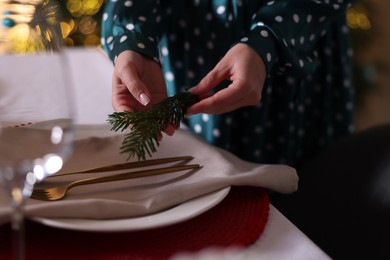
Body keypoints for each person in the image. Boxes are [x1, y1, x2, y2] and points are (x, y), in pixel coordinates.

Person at [101, 1, 390, 259]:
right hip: (189, 43)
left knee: (304, 208)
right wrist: (131, 39)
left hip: (295, 52)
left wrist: (267, 41)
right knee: (203, 213)